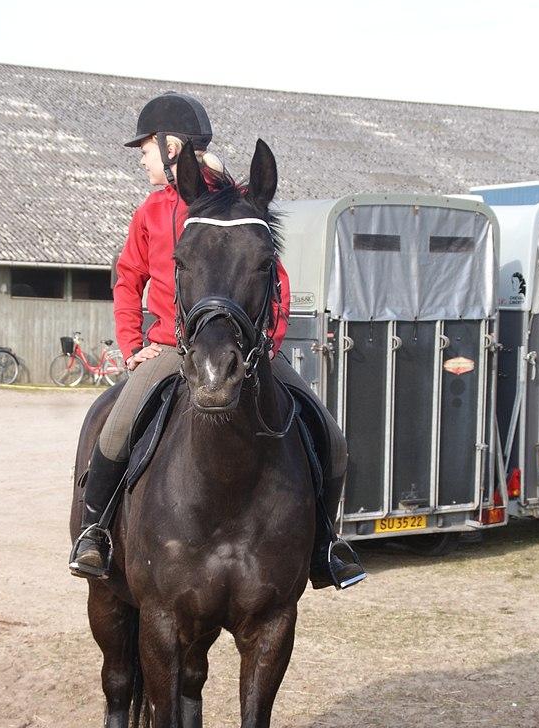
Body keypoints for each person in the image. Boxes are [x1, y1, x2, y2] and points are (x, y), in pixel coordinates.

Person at [69, 91, 365, 590]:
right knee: (115, 428)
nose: (142, 160)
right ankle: (95, 532)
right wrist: (131, 341)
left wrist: (267, 342)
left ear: (172, 148)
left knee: (330, 437)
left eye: (145, 150)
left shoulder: (237, 202)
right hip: (169, 349)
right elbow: (128, 280)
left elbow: (275, 278)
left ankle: (324, 546)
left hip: (247, 350)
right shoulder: (149, 212)